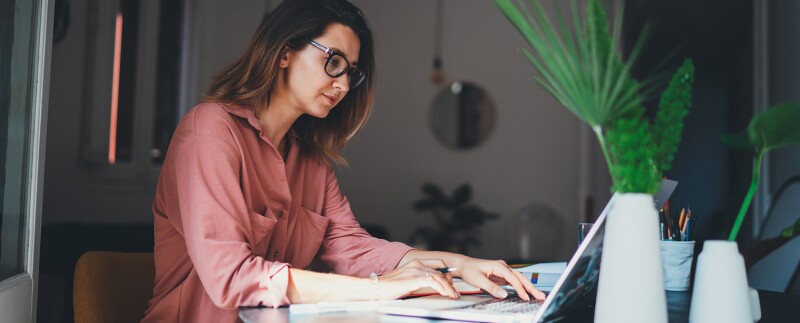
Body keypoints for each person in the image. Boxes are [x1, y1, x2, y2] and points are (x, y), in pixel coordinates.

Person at [142, 0, 543, 321]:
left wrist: (458, 264)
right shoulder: (209, 131)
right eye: (333, 61)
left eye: (351, 72)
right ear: (284, 53)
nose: (344, 84)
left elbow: (353, 247)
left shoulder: (311, 162)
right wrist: (379, 288)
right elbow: (231, 277)